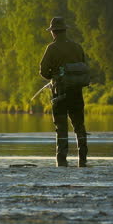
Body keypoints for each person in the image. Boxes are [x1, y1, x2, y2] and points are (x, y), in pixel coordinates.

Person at [39, 16, 88, 166]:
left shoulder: (52, 48)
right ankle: (83, 158)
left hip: (60, 94)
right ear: (65, 30)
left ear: (53, 32)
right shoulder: (77, 47)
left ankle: (61, 159)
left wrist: (52, 76)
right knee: (79, 125)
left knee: (61, 127)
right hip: (77, 94)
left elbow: (43, 71)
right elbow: (84, 66)